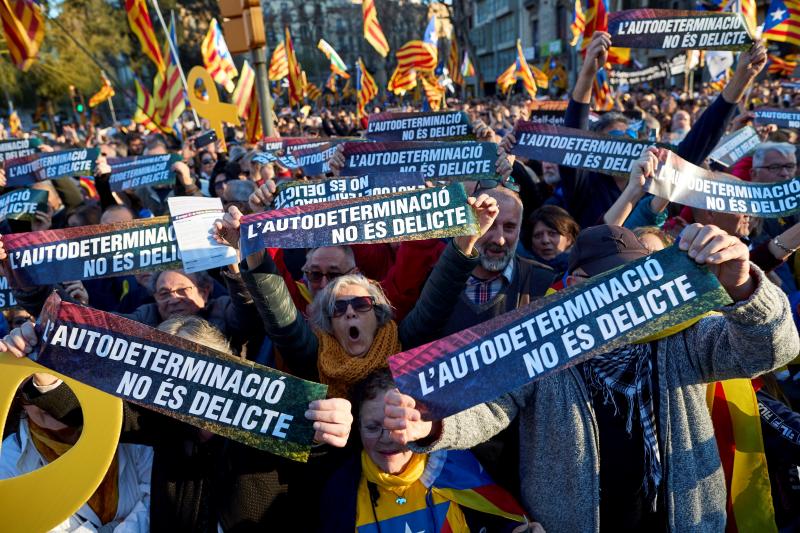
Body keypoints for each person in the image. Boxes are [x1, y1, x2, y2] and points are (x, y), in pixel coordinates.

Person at [383, 221, 799, 531]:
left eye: (628, 278)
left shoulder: (683, 333)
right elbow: (492, 405)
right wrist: (434, 421)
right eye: (603, 281)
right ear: (572, 285)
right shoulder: (539, 339)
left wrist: (744, 288)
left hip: (681, 520)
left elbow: (771, 350)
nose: (619, 295)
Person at [1, 315, 354, 531]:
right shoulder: (161, 425)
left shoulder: (271, 413)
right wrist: (44, 377)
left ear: (229, 363)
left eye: (199, 365)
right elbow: (87, 414)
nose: (188, 383)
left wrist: (330, 427)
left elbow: (320, 455)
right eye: (173, 369)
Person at [213, 194, 499, 397]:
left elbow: (436, 302)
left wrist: (465, 242)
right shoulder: (313, 357)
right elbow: (281, 318)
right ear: (327, 322)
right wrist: (251, 247)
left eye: (361, 304)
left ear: (379, 312)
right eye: (338, 308)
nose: (349, 312)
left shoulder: (402, 344)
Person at [320, 369, 539, 533]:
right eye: (372, 427)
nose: (387, 438)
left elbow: (502, 523)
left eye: (397, 425)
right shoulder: (341, 489)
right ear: (358, 428)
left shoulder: (457, 467)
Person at [519, 205, 580, 272]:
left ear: (569, 239)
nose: (545, 240)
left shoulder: (582, 270)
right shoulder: (521, 271)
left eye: (552, 234)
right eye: (538, 235)